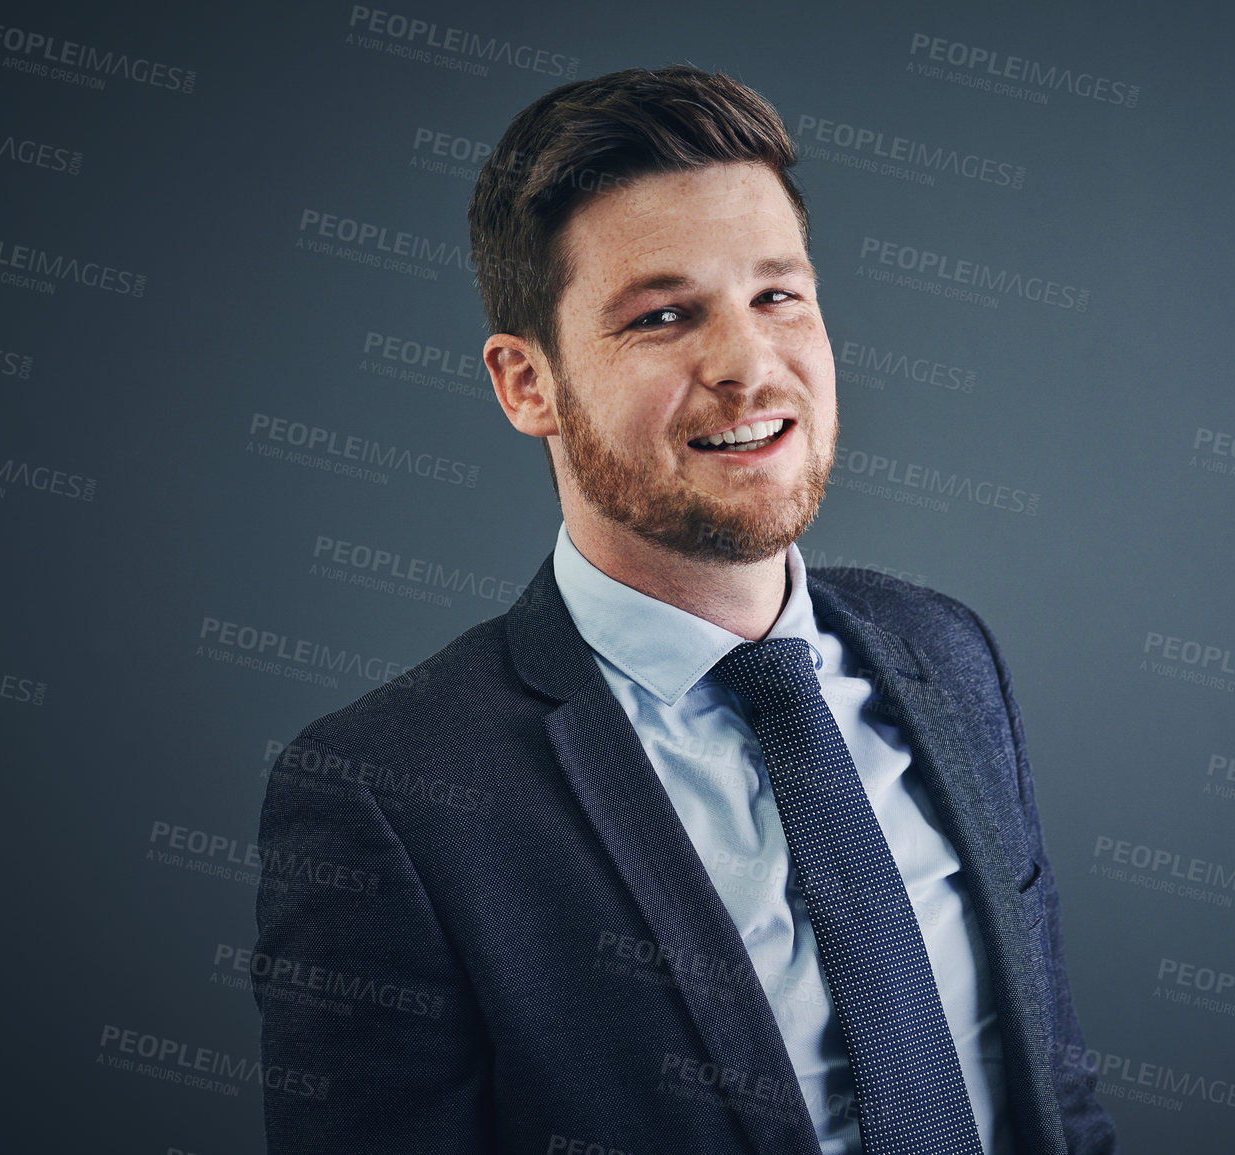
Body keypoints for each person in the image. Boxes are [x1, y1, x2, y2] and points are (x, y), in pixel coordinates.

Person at [252, 65, 1116, 1155]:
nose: (747, 366)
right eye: (662, 316)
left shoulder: (951, 657)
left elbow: (1055, 1100)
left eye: (777, 295)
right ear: (529, 385)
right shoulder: (391, 797)